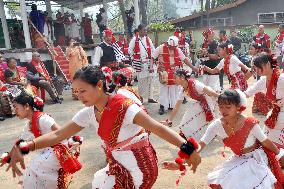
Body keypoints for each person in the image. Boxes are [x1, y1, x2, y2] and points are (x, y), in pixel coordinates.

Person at [4, 65, 201, 189]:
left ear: (99, 85)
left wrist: (188, 149)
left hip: (140, 167)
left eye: (82, 91)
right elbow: (58, 135)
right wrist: (25, 147)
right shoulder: (89, 112)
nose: (78, 96)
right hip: (118, 166)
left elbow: (158, 128)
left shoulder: (124, 107)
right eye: (75, 92)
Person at [163, 89, 284, 189]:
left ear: (238, 107)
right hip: (238, 160)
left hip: (256, 159)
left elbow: (265, 141)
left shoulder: (250, 122)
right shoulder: (216, 125)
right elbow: (200, 145)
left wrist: (280, 154)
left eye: (228, 107)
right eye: (221, 107)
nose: (223, 110)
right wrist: (180, 162)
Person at [3, 91, 82, 188]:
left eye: (16, 107)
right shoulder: (29, 124)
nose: (15, 111)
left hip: (60, 149)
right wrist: (9, 157)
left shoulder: (43, 118)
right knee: (35, 167)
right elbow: (20, 142)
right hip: (49, 150)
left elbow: (60, 131)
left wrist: (72, 141)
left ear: (26, 106)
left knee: (36, 165)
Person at [161, 68, 219, 140]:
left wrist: (221, 98)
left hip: (211, 100)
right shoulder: (182, 90)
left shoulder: (195, 84)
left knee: (195, 115)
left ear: (182, 77)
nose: (173, 80)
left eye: (175, 78)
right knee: (190, 115)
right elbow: (176, 106)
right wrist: (169, 120)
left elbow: (209, 91)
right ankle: (187, 134)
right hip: (203, 102)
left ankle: (209, 133)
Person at [245, 53, 284, 149]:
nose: (256, 71)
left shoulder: (281, 78)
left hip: (280, 115)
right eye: (255, 68)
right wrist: (231, 96)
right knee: (265, 140)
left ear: (267, 64)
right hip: (275, 114)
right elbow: (248, 93)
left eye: (258, 67)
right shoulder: (263, 80)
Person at [153, 36, 197, 115]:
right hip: (164, 73)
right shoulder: (160, 48)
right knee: (164, 90)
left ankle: (171, 106)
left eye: (174, 47)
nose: (173, 48)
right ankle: (162, 107)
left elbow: (185, 59)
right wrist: (151, 67)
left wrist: (193, 67)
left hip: (174, 73)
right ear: (168, 44)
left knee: (174, 90)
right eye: (171, 47)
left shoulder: (178, 50)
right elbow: (153, 57)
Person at [128, 24, 157, 103]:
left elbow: (153, 49)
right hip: (140, 64)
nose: (145, 31)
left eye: (145, 30)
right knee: (142, 81)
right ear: (139, 30)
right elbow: (129, 51)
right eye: (144, 30)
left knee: (151, 80)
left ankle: (150, 98)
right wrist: (136, 58)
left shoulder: (148, 39)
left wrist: (154, 58)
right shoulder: (134, 40)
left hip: (149, 62)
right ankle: (140, 97)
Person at [249, 43, 273, 115]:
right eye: (249, 49)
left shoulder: (260, 59)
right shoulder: (263, 79)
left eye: (252, 49)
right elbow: (251, 90)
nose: (250, 50)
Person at [201, 28, 221, 92]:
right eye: (207, 35)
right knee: (206, 87)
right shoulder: (204, 44)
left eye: (211, 35)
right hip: (205, 68)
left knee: (213, 88)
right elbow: (202, 57)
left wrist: (207, 53)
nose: (209, 37)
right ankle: (207, 101)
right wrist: (201, 53)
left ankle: (216, 100)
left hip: (213, 68)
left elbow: (217, 56)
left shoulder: (216, 44)